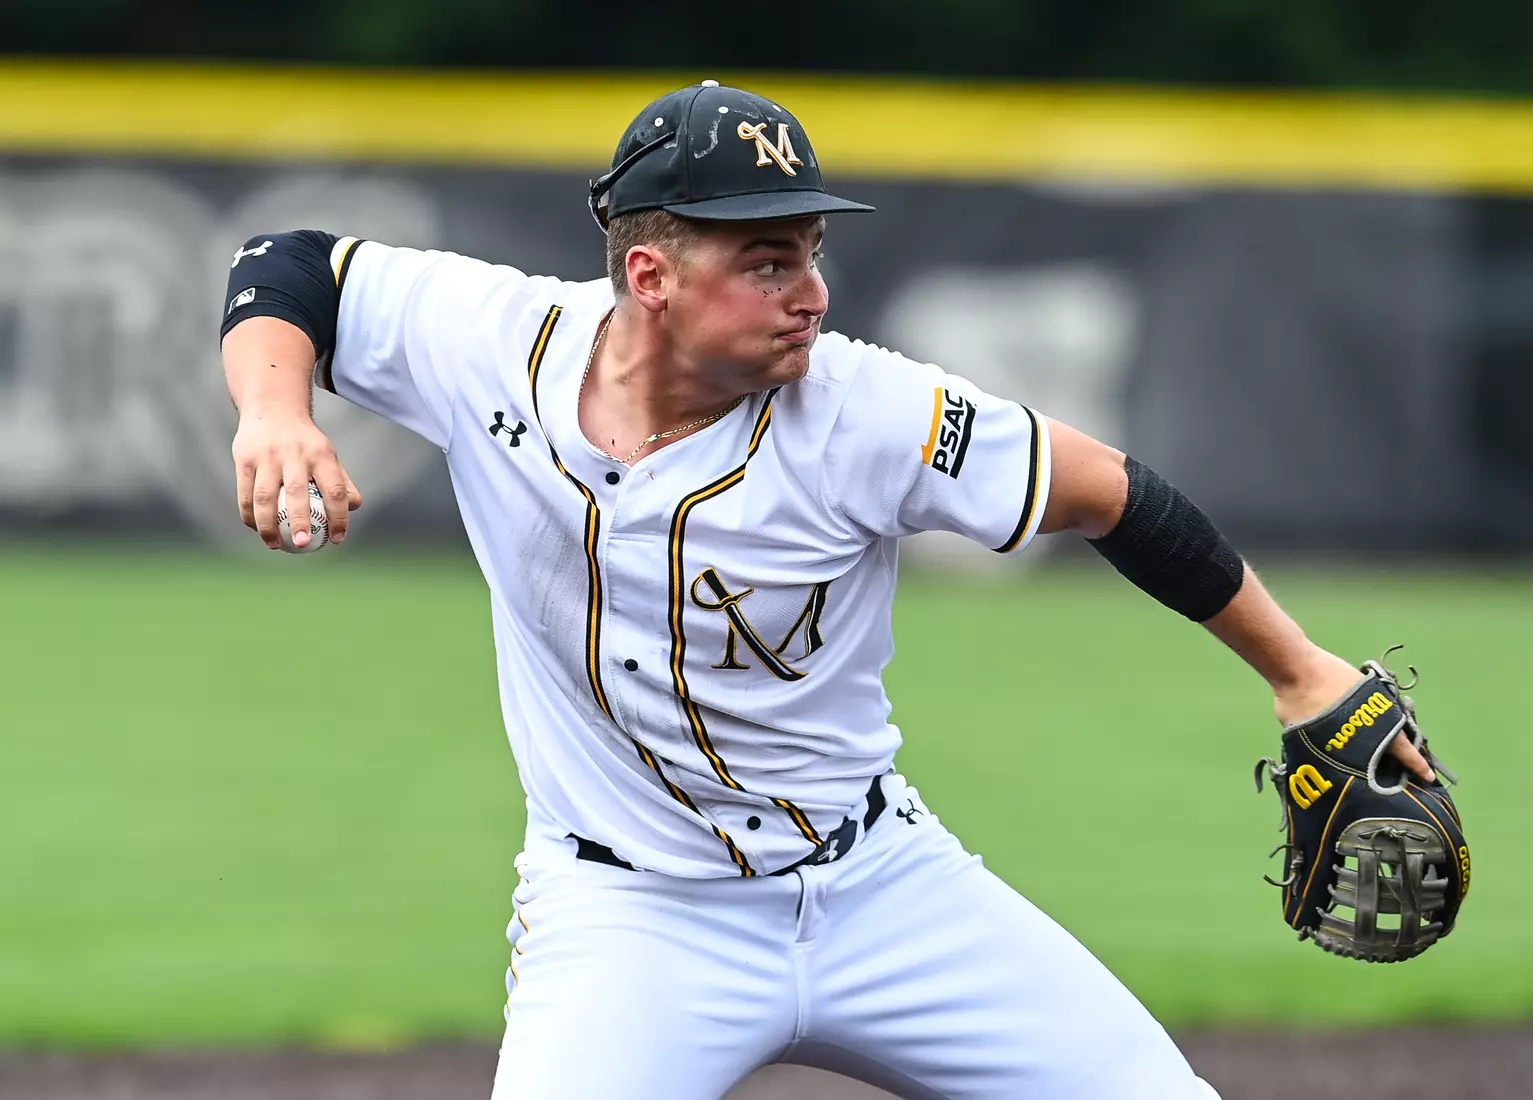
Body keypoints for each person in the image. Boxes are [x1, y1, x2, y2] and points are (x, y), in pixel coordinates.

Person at [219, 80, 1434, 1100]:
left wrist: (1299, 668)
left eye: (810, 248)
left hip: (880, 887)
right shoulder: (495, 340)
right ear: (650, 273)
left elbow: (1114, 492)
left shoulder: (870, 411)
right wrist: (273, 407)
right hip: (629, 920)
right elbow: (287, 268)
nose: (811, 290)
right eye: (765, 259)